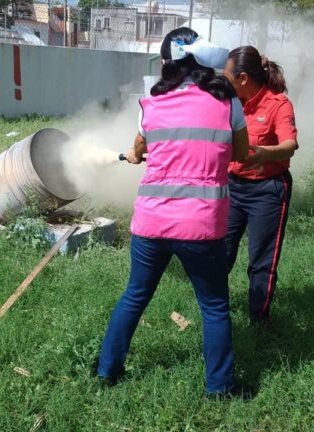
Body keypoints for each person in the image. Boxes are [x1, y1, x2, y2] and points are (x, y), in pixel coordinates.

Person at [97, 27, 250, 397]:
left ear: (169, 65)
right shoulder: (228, 103)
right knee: (214, 308)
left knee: (135, 295)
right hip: (201, 227)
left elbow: (138, 149)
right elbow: (242, 155)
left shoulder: (151, 104)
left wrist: (139, 153)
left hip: (150, 224)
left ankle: (107, 371)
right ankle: (220, 388)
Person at [222, 46, 299, 325]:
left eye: (227, 75)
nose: (223, 79)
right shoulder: (230, 103)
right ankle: (215, 310)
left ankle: (259, 321)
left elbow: (290, 145)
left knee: (261, 260)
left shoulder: (278, 104)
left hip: (268, 190)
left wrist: (268, 153)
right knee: (221, 251)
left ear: (243, 78)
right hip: (232, 187)